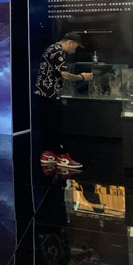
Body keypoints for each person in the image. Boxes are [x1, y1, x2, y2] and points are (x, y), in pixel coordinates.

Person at [34, 32, 92, 170]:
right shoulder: (58, 52)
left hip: (43, 93)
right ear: (70, 42)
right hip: (50, 94)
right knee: (56, 125)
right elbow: (65, 75)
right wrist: (82, 77)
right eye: (75, 46)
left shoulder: (51, 48)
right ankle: (62, 156)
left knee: (48, 125)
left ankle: (48, 154)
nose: (75, 50)